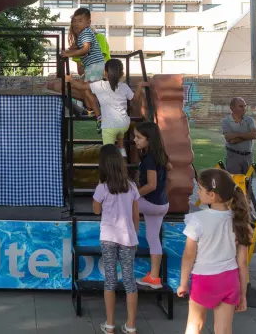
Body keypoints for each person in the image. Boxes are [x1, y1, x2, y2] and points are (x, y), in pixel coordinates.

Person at [178, 168, 253, 334]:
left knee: (195, 324)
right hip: (230, 280)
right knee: (224, 329)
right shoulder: (239, 221)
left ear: (212, 195)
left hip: (204, 280)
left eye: (201, 189)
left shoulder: (197, 220)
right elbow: (242, 262)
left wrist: (183, 283)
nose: (198, 192)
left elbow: (188, 256)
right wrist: (243, 294)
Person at [92, 144, 141, 334]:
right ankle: (131, 325)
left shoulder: (102, 188)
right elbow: (136, 216)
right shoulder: (132, 187)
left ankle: (110, 324)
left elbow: (96, 210)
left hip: (108, 238)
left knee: (110, 281)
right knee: (129, 281)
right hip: (128, 238)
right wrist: (134, 235)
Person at [131, 126, 170, 290]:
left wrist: (134, 195)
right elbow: (170, 168)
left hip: (151, 203)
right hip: (162, 204)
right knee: (153, 238)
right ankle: (154, 278)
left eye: (138, 137)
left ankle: (126, 240)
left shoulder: (149, 159)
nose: (135, 140)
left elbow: (152, 185)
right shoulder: (160, 156)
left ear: (149, 140)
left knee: (122, 204)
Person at [47, 8, 106, 105]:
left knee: (87, 88)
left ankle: (94, 108)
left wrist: (68, 53)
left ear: (88, 23)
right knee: (85, 88)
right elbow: (82, 47)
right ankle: (92, 107)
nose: (76, 24)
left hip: (94, 66)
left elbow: (86, 49)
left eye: (80, 21)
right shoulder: (83, 35)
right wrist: (73, 48)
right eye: (74, 21)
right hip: (91, 67)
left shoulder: (86, 32)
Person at [88, 59, 136, 152]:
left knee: (108, 151)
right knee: (121, 146)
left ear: (105, 73)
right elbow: (135, 98)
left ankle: (111, 166)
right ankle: (123, 165)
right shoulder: (124, 86)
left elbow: (82, 87)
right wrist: (141, 85)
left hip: (109, 126)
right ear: (121, 74)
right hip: (124, 124)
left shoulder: (99, 85)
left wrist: (70, 80)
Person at [221, 97, 256, 174]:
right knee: (234, 183)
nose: (244, 108)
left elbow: (254, 135)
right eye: (241, 106)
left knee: (248, 183)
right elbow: (229, 139)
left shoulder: (250, 120)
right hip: (233, 156)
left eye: (245, 106)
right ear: (232, 108)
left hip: (248, 156)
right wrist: (247, 135)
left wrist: (237, 135)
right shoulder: (225, 121)